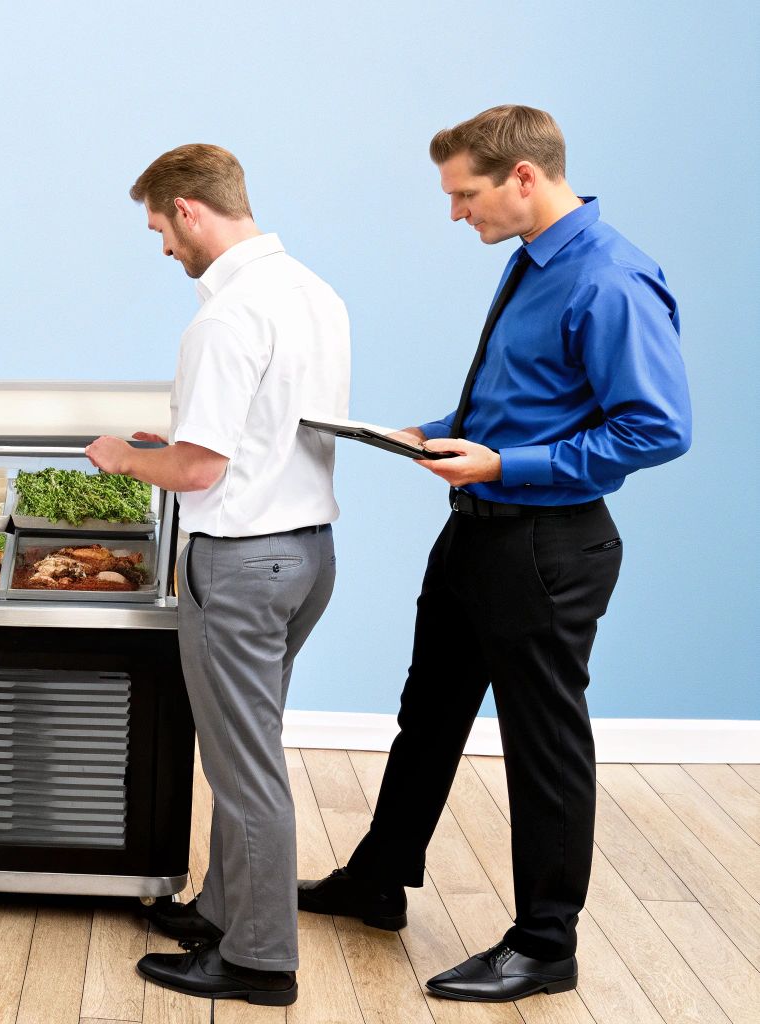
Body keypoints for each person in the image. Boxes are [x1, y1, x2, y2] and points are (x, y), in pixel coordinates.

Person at [297, 105, 691, 1002]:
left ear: (523, 178)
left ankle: (546, 943)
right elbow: (525, 402)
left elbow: (658, 428)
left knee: (544, 747)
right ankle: (379, 880)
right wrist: (429, 437)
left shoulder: (612, 277)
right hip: (476, 530)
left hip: (547, 548)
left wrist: (504, 463)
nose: (454, 214)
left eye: (464, 194)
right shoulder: (530, 259)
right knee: (428, 711)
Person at [86, 143, 350, 1007]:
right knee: (248, 745)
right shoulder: (317, 294)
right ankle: (221, 913)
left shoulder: (225, 317)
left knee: (244, 769)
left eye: (161, 228)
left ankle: (260, 961)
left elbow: (199, 471)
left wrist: (127, 457)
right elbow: (268, 432)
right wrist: (181, 449)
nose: (164, 248)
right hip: (307, 553)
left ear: (190, 209)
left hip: (240, 564)